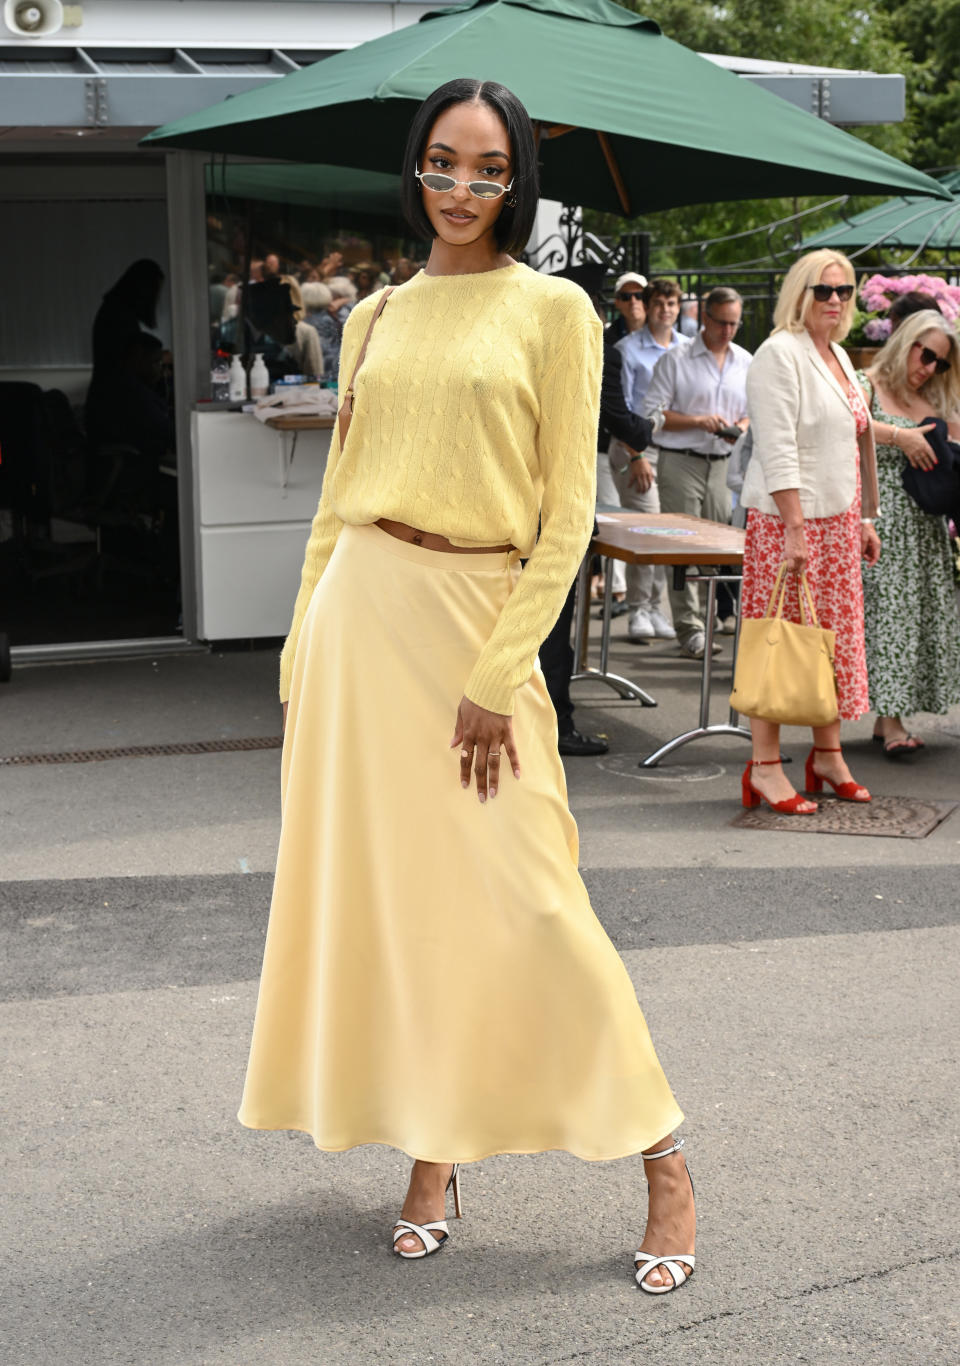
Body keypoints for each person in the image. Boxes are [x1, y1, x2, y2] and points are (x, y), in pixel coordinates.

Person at [237, 77, 694, 1295]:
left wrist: (501, 669)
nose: (460, 188)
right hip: (359, 631)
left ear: (516, 181)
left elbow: (564, 518)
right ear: (416, 167)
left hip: (479, 629)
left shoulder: (554, 312)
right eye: (443, 163)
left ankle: (660, 1153)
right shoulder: (374, 317)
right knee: (404, 908)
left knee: (532, 898)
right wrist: (300, 644)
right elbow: (340, 498)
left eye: (487, 169)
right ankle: (432, 1158)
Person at [739, 249, 881, 814]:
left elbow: (856, 438)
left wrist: (866, 517)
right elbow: (777, 449)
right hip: (787, 521)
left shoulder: (840, 356)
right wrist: (795, 527)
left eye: (844, 291)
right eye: (823, 290)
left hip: (838, 520)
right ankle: (765, 767)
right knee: (780, 640)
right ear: (800, 294)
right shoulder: (779, 354)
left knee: (827, 643)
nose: (835, 301)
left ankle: (827, 756)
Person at [859, 310, 960, 753]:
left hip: (927, 529)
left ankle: (890, 718)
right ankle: (891, 720)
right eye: (926, 355)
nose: (930, 368)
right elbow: (847, 429)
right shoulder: (866, 384)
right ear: (906, 342)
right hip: (881, 524)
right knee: (888, 621)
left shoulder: (937, 400)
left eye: (941, 362)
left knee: (917, 622)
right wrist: (902, 438)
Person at [642, 286, 751, 658]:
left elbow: (756, 411)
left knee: (718, 547)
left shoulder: (745, 361)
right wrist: (697, 421)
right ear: (705, 317)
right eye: (721, 322)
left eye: (734, 323)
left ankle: (709, 619)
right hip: (681, 459)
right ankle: (690, 628)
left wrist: (743, 425)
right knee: (682, 545)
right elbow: (651, 414)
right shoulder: (677, 359)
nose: (727, 331)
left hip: (724, 462)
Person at [612, 277, 689, 642]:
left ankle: (657, 607)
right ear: (649, 305)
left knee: (668, 530)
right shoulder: (627, 350)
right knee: (647, 528)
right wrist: (637, 453)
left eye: (672, 303)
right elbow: (621, 409)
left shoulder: (687, 349)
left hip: (673, 447)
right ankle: (638, 609)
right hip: (636, 448)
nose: (666, 310)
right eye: (659, 303)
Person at [277, 275, 324, 378]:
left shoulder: (255, 330)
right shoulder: (306, 331)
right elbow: (315, 372)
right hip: (297, 391)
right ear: (297, 296)